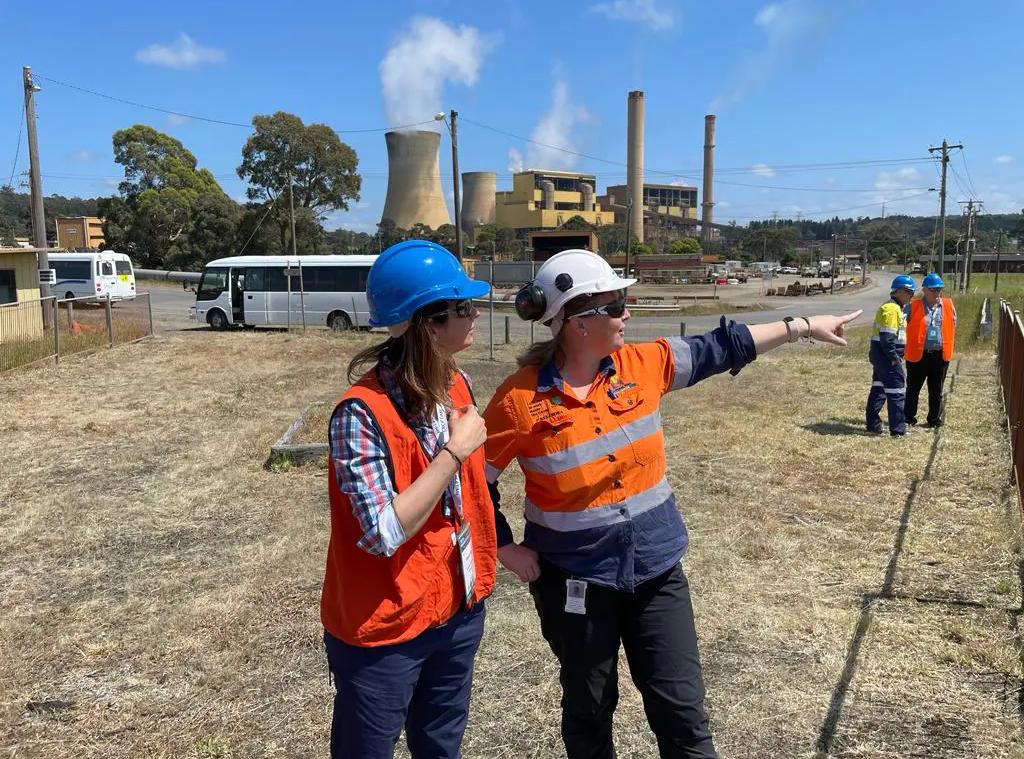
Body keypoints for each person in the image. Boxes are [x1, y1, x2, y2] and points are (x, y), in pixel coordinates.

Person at [481, 249, 860, 759]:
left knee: (681, 710)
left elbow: (722, 347)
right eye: (616, 305)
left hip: (657, 569)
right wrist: (504, 547)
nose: (627, 315)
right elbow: (472, 482)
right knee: (589, 707)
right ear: (575, 321)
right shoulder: (517, 401)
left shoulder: (644, 364)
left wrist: (804, 325)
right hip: (575, 581)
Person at [320, 239, 497, 759]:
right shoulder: (359, 413)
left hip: (457, 610)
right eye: (463, 307)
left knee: (441, 747)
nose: (474, 314)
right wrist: (453, 452)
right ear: (428, 323)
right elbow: (380, 532)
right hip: (385, 627)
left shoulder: (457, 382)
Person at [865, 274, 916, 437]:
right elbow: (887, 338)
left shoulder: (892, 307)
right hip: (888, 357)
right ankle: (898, 430)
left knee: (879, 389)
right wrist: (895, 358)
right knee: (897, 392)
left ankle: (873, 424)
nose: (911, 296)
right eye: (909, 292)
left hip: (881, 356)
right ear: (899, 291)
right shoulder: (893, 309)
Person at [904, 272, 957, 428]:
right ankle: (908, 418)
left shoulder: (948, 305)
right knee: (913, 389)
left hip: (940, 355)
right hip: (917, 355)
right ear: (924, 290)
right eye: (933, 289)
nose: (937, 293)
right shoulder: (913, 307)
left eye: (939, 289)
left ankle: (934, 420)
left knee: (936, 391)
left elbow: (953, 324)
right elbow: (902, 326)